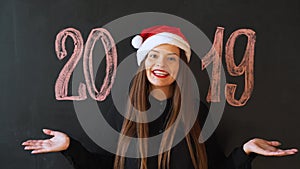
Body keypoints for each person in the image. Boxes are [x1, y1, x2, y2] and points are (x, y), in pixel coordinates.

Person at [22, 25, 298, 169]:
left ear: (181, 66)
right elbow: (108, 165)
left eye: (171, 58)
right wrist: (71, 147)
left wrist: (246, 152)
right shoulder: (121, 111)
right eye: (154, 55)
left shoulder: (196, 113)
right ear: (143, 61)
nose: (161, 64)